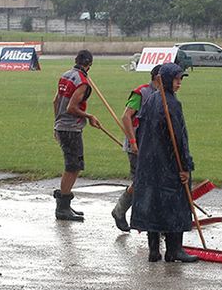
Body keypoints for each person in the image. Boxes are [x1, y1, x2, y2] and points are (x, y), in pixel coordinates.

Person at [130, 63, 197, 262]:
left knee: (153, 204)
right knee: (175, 204)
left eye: (181, 80)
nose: (179, 84)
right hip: (167, 163)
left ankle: (154, 250)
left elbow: (141, 130)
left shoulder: (150, 100)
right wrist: (185, 166)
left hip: (149, 163)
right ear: (167, 80)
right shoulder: (171, 104)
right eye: (176, 79)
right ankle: (174, 249)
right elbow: (179, 138)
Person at [111, 64, 162, 232]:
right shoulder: (141, 93)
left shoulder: (165, 95)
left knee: (156, 181)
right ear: (158, 78)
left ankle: (156, 219)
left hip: (154, 146)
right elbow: (126, 117)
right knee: (141, 182)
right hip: (137, 147)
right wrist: (133, 142)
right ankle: (120, 211)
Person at [53, 50, 102, 221]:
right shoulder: (82, 82)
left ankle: (65, 204)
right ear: (90, 65)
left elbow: (56, 101)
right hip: (71, 128)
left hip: (62, 126)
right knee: (73, 167)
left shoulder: (66, 75)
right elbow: (71, 108)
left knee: (73, 165)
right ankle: (62, 208)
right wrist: (90, 117)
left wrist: (56, 123)